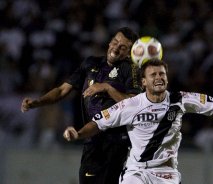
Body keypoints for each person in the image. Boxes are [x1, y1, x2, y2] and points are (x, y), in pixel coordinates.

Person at [63, 59, 213, 184]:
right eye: (153, 75)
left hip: (166, 172)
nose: (158, 77)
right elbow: (99, 123)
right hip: (137, 172)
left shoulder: (181, 99)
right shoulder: (131, 105)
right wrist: (78, 133)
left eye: (162, 74)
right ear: (143, 82)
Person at [21, 27, 141, 184]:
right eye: (115, 42)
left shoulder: (130, 69)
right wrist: (37, 102)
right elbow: (62, 90)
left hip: (116, 143)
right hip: (91, 140)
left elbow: (134, 104)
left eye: (123, 47)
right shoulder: (91, 63)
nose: (116, 48)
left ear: (128, 53)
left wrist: (107, 88)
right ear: (110, 41)